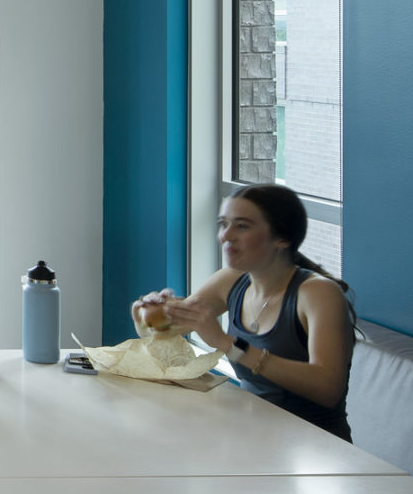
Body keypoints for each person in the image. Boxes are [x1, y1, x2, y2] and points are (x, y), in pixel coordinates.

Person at [133, 182, 354, 440]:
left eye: (242, 226)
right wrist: (146, 311)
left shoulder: (318, 293)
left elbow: (327, 389)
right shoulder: (231, 280)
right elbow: (161, 332)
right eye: (223, 224)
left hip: (318, 450)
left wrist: (229, 345)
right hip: (254, 436)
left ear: (281, 238)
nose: (226, 236)